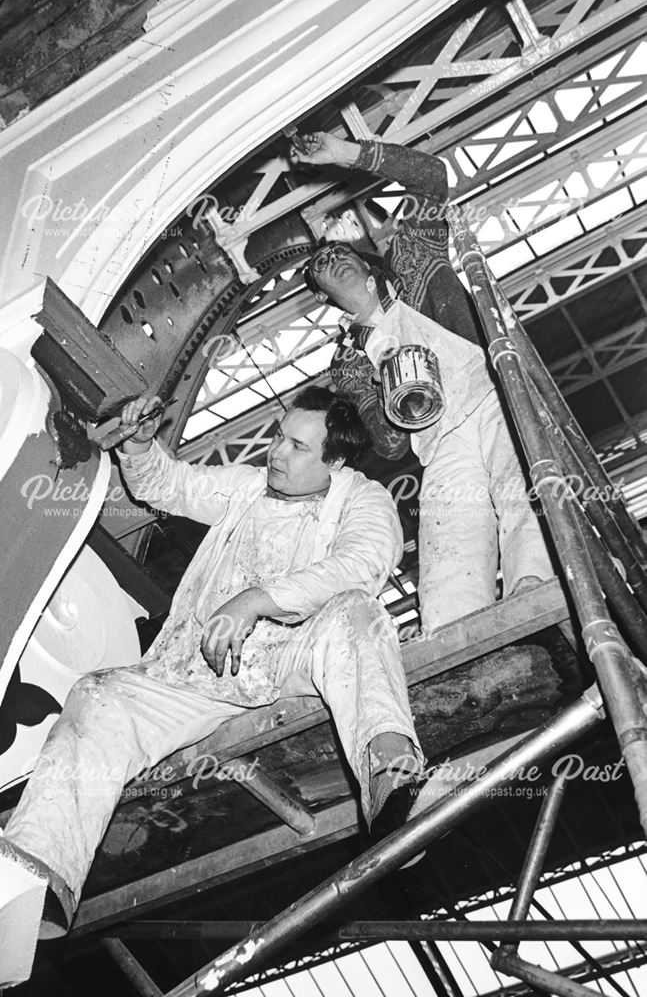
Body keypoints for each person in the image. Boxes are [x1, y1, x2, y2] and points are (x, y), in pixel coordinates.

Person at [0, 385, 423, 985]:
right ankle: (36, 876)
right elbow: (168, 486)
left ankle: (391, 773)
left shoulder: (365, 499)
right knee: (98, 696)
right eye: (278, 434)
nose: (276, 452)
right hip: (193, 676)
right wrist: (142, 447)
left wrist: (259, 598)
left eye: (297, 447)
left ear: (335, 461)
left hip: (289, 662)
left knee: (358, 613)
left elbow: (364, 562)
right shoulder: (249, 486)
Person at [291, 132, 554, 630]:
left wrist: (349, 154)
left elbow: (434, 178)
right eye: (318, 264)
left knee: (521, 490)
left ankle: (536, 588)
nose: (329, 256)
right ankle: (456, 634)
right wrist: (387, 396)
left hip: (492, 391)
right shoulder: (346, 364)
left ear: (367, 266)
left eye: (337, 250)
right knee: (449, 534)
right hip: (438, 437)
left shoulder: (413, 261)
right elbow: (390, 447)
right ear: (324, 298)